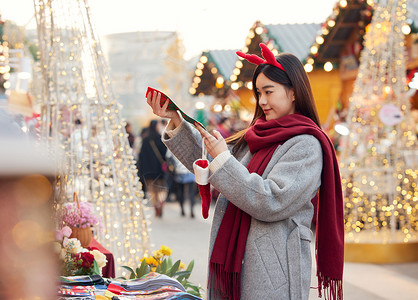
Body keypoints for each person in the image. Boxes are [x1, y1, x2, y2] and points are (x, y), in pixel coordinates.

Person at [146, 43, 344, 300]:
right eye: (258, 92)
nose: (262, 101)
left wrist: (223, 159)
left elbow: (271, 200)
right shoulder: (258, 134)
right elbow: (212, 162)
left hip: (275, 269)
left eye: (269, 92)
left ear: (294, 92)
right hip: (238, 260)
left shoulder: (307, 144)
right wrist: (175, 119)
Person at [137, 119, 167, 217]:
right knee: (161, 188)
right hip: (159, 169)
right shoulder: (160, 138)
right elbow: (165, 154)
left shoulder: (145, 139)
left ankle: (156, 205)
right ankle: (161, 202)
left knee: (152, 190)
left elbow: (141, 156)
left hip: (148, 170)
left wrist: (141, 169)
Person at [166, 149, 197, 218]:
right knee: (191, 191)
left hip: (178, 170)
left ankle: (182, 209)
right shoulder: (189, 141)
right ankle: (191, 209)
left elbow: (168, 156)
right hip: (190, 170)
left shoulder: (171, 143)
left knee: (180, 191)